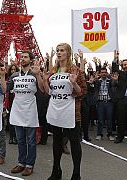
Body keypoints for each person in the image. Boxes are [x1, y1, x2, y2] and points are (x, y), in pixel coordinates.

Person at [44, 43, 86, 180]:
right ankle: (56, 171)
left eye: (62, 50)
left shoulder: (75, 70)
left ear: (68, 53)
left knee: (74, 143)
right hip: (56, 112)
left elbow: (83, 92)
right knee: (57, 142)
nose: (59, 53)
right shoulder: (53, 70)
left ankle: (76, 174)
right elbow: (48, 91)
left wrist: (74, 84)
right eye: (57, 51)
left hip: (72, 113)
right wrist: (43, 79)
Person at [8, 51, 44, 176]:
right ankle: (21, 163)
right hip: (17, 110)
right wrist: (2, 77)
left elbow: (42, 88)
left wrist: (39, 74)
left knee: (31, 140)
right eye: (21, 57)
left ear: (31, 59)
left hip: (30, 110)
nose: (23, 59)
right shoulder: (14, 75)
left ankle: (29, 165)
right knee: (20, 139)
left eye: (25, 57)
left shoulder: (35, 74)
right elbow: (4, 90)